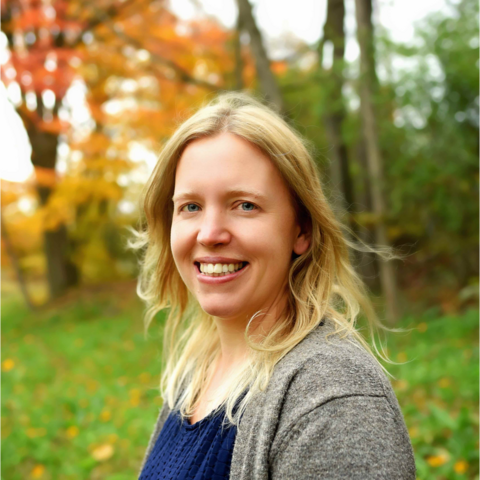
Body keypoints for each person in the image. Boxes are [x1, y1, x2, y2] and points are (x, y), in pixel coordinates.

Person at [130, 92, 416, 479]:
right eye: (190, 207)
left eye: (244, 205)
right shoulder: (195, 374)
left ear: (301, 230)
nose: (210, 233)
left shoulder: (331, 396)